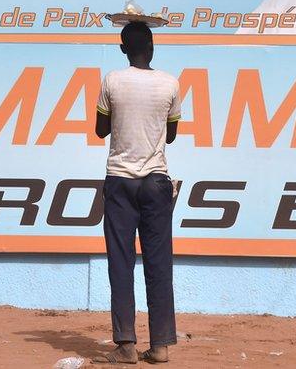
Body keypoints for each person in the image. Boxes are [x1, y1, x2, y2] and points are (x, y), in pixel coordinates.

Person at [93, 20, 181, 364]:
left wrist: (121, 117)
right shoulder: (170, 83)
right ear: (153, 48)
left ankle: (126, 345)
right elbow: (170, 135)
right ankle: (160, 346)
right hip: (157, 181)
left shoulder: (113, 80)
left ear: (123, 49)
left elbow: (101, 129)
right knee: (159, 264)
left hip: (120, 180)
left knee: (121, 262)